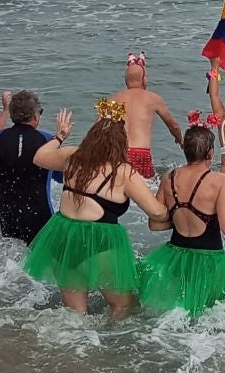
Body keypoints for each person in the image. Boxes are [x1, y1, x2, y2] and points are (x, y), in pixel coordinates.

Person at [25, 101, 168, 317]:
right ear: (121, 141)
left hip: (62, 238)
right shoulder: (122, 172)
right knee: (123, 306)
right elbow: (156, 212)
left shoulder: (72, 156)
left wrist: (60, 135)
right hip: (99, 244)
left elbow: (39, 157)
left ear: (92, 135)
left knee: (75, 313)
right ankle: (113, 340)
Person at [140, 125, 225, 319]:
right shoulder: (218, 180)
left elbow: (155, 224)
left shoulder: (169, 177)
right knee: (206, 316)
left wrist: (182, 217)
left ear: (185, 151)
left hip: (174, 257)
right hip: (209, 260)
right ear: (210, 153)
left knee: (177, 312)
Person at [0, 90, 60, 243]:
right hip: (40, 212)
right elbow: (61, 175)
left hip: (8, 212)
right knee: (40, 253)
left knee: (11, 254)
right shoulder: (47, 140)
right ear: (35, 115)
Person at [107, 52, 183, 180]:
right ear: (143, 79)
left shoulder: (113, 99)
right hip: (141, 153)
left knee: (119, 185)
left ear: (126, 81)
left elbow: (98, 128)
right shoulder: (153, 98)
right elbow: (173, 125)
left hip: (118, 153)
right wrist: (179, 139)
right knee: (147, 187)